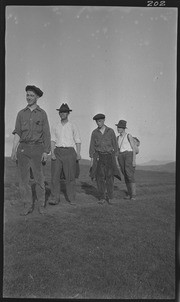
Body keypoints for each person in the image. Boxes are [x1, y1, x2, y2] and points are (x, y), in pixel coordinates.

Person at [11, 85, 51, 215]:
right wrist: (13, 150)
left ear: (37, 97)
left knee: (39, 179)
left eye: (32, 95)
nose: (29, 97)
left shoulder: (42, 114)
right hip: (23, 149)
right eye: (27, 95)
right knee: (24, 180)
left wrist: (46, 151)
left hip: (38, 149)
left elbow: (46, 134)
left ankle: (41, 205)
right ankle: (27, 205)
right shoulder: (21, 114)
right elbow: (17, 132)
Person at [49, 103, 81, 205]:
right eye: (61, 112)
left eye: (65, 112)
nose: (63, 114)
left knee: (70, 176)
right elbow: (53, 140)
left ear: (68, 113)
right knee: (55, 176)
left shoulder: (73, 126)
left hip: (70, 152)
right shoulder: (55, 126)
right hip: (57, 151)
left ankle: (72, 199)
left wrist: (78, 153)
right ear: (59, 113)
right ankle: (55, 198)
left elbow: (78, 140)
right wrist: (52, 152)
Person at [89, 113, 120, 204]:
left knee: (110, 177)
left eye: (99, 121)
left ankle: (110, 197)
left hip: (109, 156)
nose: (98, 123)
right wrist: (92, 159)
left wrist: (116, 159)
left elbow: (115, 145)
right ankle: (102, 197)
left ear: (103, 121)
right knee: (100, 177)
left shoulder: (110, 131)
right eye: (96, 122)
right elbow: (92, 147)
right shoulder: (94, 133)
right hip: (99, 157)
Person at [116, 120, 137, 200]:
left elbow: (134, 149)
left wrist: (134, 160)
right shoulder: (117, 138)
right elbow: (117, 150)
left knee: (129, 174)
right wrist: (117, 160)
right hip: (121, 156)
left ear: (123, 128)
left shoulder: (128, 135)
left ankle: (133, 195)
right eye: (117, 127)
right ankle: (129, 194)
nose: (118, 129)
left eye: (120, 127)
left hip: (128, 154)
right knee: (125, 175)